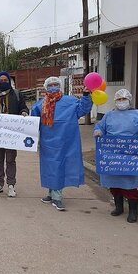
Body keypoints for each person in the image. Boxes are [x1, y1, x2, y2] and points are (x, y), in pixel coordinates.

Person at [31, 76, 92, 211]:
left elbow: (83, 109)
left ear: (60, 86)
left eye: (55, 84)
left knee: (59, 166)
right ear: (46, 87)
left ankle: (57, 197)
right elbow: (32, 122)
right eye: (51, 85)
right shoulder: (40, 104)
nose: (53, 86)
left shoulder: (70, 101)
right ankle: (51, 193)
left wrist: (86, 95)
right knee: (49, 168)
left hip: (65, 141)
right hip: (47, 142)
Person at [93, 89, 138, 223]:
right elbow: (100, 127)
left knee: (130, 183)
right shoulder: (109, 115)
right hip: (112, 153)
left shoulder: (137, 114)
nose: (121, 102)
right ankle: (118, 207)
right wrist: (97, 131)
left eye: (124, 99)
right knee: (113, 183)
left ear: (129, 100)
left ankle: (133, 211)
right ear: (115, 101)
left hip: (130, 154)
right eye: (119, 99)